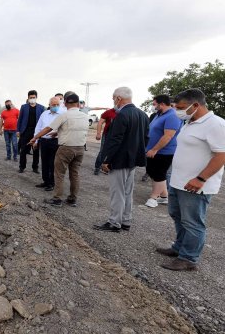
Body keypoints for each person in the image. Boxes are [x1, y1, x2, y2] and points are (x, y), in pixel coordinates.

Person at [156, 88, 225, 271]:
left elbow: (221, 155)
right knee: (177, 216)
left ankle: (188, 258)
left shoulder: (216, 124)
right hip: (179, 182)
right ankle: (179, 248)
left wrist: (201, 178)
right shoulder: (190, 122)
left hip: (196, 185)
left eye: (181, 107)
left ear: (196, 105)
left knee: (193, 222)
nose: (178, 111)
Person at [95, 87, 149, 232]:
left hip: (119, 160)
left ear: (118, 98)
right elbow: (146, 138)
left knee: (117, 192)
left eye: (113, 98)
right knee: (127, 192)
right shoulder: (143, 114)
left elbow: (115, 140)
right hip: (133, 160)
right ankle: (126, 220)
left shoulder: (122, 115)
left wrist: (106, 160)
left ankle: (114, 222)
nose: (113, 101)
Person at [29, 93, 88, 207]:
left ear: (65, 103)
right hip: (80, 149)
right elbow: (74, 129)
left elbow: (47, 128)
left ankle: (57, 199)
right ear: (78, 104)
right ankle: (72, 199)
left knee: (59, 174)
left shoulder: (64, 115)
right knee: (74, 174)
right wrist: (57, 133)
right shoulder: (85, 116)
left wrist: (35, 137)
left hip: (66, 148)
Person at [144, 94, 182, 208]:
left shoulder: (172, 116)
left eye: (155, 104)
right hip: (153, 149)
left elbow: (168, 136)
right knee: (152, 171)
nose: (153, 107)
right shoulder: (159, 114)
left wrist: (155, 149)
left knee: (159, 174)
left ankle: (153, 198)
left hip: (164, 151)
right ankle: (165, 196)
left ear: (162, 104)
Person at [32, 97, 63, 191]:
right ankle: (45, 181)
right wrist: (36, 140)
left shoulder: (62, 114)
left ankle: (51, 183)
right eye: (54, 105)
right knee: (44, 162)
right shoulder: (44, 114)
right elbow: (38, 128)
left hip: (55, 142)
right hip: (44, 141)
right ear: (49, 105)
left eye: (57, 104)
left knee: (52, 163)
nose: (56, 106)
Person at [17, 90, 45, 173]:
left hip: (36, 132)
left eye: (34, 97)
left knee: (35, 150)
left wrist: (42, 132)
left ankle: (35, 167)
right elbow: (20, 119)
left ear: (36, 98)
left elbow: (43, 121)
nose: (32, 99)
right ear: (28, 98)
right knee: (23, 150)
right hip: (25, 131)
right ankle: (22, 167)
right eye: (30, 98)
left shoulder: (41, 107)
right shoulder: (24, 107)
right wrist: (18, 130)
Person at [94, 108, 117, 175]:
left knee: (113, 152)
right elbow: (100, 122)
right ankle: (97, 167)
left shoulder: (123, 113)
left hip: (117, 136)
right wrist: (98, 133)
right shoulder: (108, 112)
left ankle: (106, 168)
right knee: (103, 151)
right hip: (106, 135)